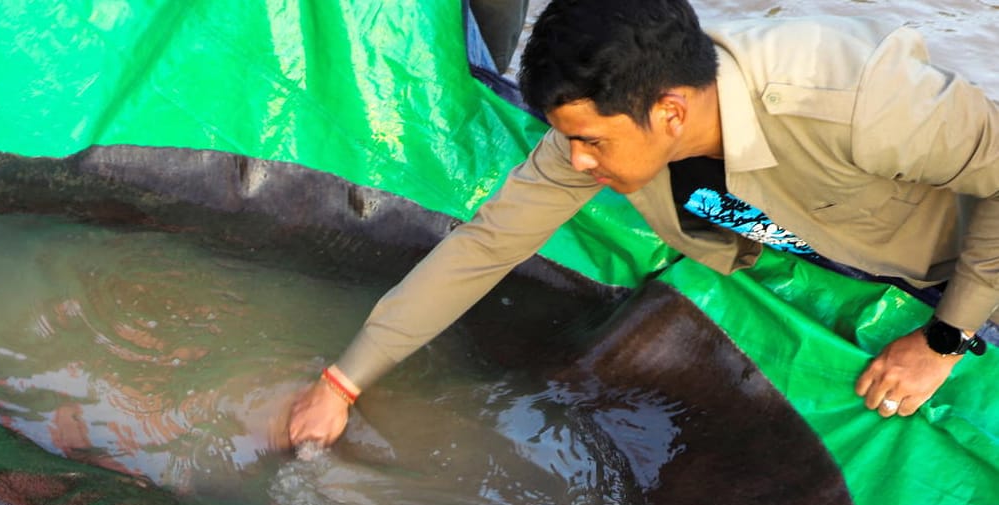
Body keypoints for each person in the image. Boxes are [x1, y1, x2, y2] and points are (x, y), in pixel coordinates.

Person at [288, 0, 999, 445]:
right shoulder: (602, 124)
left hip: (959, 268)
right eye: (567, 138)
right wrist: (343, 381)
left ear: (671, 114)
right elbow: (484, 246)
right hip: (814, 250)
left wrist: (944, 339)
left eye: (592, 141)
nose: (575, 161)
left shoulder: (852, 98)